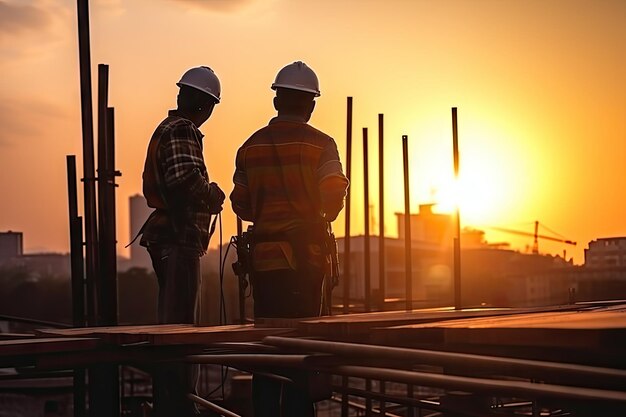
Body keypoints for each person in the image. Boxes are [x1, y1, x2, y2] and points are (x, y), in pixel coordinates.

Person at [230, 61, 349, 417]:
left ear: (276, 100)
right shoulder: (321, 144)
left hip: (265, 263)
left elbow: (241, 204)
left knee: (268, 350)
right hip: (306, 263)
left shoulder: (250, 147)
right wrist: (316, 217)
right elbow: (333, 192)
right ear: (310, 104)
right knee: (301, 351)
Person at [139, 66, 225, 417]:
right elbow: (185, 179)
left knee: (175, 325)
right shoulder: (183, 129)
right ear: (204, 105)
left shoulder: (170, 128)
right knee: (179, 330)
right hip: (178, 239)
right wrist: (212, 193)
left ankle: (174, 403)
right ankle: (177, 407)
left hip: (172, 238)